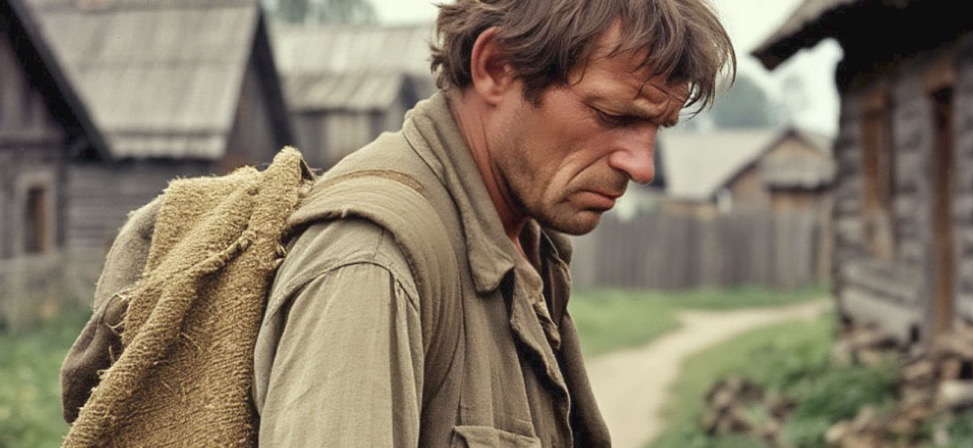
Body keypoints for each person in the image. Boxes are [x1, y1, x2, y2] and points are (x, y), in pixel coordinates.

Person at [253, 0, 734, 446]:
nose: (643, 166)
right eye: (612, 115)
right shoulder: (371, 264)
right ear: (496, 68)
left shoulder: (525, 243)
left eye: (657, 126)